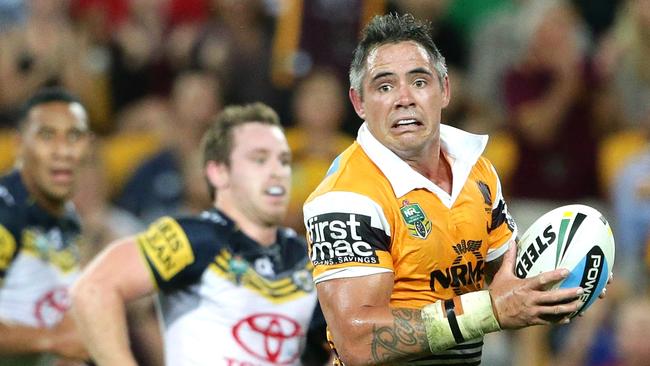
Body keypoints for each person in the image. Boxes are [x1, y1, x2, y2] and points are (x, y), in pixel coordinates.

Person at [302, 13, 589, 365]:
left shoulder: (477, 171)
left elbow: (509, 283)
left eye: (419, 82)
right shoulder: (344, 198)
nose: (404, 98)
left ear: (445, 91)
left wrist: (573, 277)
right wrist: (487, 311)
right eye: (385, 86)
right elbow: (357, 340)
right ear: (359, 103)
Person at [71, 102, 327, 365]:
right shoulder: (191, 238)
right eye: (259, 159)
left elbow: (341, 346)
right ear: (219, 173)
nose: (277, 172)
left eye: (284, 160)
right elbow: (94, 289)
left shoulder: (308, 257)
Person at [0, 88, 92, 365]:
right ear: (19, 144)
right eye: (46, 135)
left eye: (74, 136)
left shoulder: (68, 219)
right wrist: (54, 341)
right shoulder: (5, 214)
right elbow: (62, 339)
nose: (62, 151)